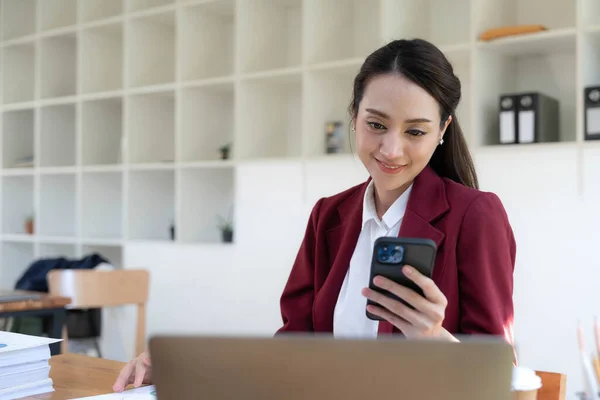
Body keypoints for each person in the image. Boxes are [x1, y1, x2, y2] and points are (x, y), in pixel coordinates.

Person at [112, 38, 516, 392]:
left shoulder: (475, 215)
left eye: (415, 131)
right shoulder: (330, 216)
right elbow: (294, 347)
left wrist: (432, 337)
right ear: (354, 115)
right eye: (376, 124)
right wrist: (182, 371)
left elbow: (503, 375)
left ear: (443, 128)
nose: (391, 150)